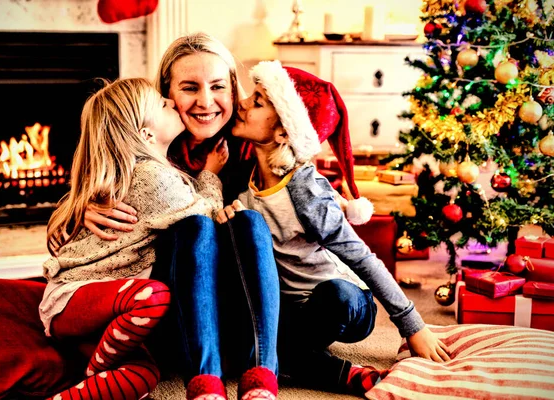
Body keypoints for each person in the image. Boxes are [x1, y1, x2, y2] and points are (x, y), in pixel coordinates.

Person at [216, 60, 451, 396]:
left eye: (257, 102)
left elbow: (362, 258)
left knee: (333, 296)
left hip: (346, 302)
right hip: (289, 308)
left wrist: (413, 327)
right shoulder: (241, 182)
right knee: (243, 342)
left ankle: (290, 360)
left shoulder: (305, 189)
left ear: (283, 130)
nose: (242, 104)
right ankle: (327, 369)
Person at [69, 34, 281, 400]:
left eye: (217, 86)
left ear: (233, 90)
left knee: (345, 304)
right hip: (174, 311)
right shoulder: (145, 149)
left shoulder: (252, 145)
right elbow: (84, 192)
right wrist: (80, 209)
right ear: (166, 93)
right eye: (188, 88)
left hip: (245, 303)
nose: (205, 101)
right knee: (197, 225)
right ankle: (205, 381)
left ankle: (261, 374)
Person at [40, 77, 228, 400]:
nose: (170, 103)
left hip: (106, 317)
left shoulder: (140, 170)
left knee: (144, 376)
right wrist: (211, 174)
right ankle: (94, 371)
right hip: (75, 300)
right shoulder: (149, 177)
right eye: (162, 103)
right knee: (153, 296)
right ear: (146, 134)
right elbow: (207, 215)